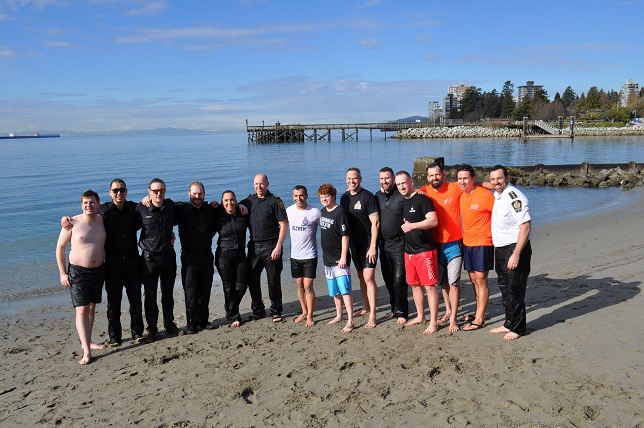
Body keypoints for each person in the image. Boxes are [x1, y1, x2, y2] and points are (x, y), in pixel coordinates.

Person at [62, 179, 145, 346]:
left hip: (132, 261)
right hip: (112, 264)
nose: (119, 193)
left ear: (126, 191)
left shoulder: (134, 209)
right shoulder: (103, 211)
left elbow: (152, 217)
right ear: (110, 193)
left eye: (122, 190)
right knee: (113, 302)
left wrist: (147, 199)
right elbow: (86, 213)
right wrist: (66, 219)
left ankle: (137, 333)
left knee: (135, 300)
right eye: (115, 190)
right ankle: (115, 337)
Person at [56, 190, 107, 365]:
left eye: (92, 202)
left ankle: (89, 341)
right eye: (85, 203)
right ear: (81, 205)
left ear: (98, 204)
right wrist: (63, 273)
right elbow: (60, 248)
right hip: (78, 272)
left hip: (98, 271)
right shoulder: (72, 223)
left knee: (92, 307)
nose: (88, 205)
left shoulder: (102, 220)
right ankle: (86, 351)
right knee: (81, 310)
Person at [418, 162, 464, 333]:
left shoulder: (454, 187)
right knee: (443, 282)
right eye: (431, 175)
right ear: (427, 177)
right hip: (436, 244)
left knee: (454, 282)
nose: (434, 178)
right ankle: (449, 310)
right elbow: (409, 195)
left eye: (437, 174)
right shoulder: (424, 191)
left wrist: (496, 185)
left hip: (454, 243)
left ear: (443, 175)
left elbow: (473, 185)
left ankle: (453, 320)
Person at [489, 165, 532, 340]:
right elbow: (488, 185)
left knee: (515, 289)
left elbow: (526, 226)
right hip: (500, 249)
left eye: (499, 178)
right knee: (505, 289)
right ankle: (509, 323)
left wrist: (516, 253)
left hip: (514, 248)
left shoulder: (515, 197)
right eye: (493, 179)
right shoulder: (498, 195)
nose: (496, 182)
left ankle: (518, 328)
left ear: (507, 177)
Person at [395, 171, 440, 335]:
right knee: (414, 285)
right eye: (398, 184)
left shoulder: (422, 199)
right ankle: (421, 316)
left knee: (430, 287)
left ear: (410, 181)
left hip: (425, 251)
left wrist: (413, 226)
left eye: (404, 183)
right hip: (409, 252)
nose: (401, 186)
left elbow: (433, 221)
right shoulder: (404, 202)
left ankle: (434, 322)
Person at [239, 174, 288, 322]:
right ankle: (258, 310)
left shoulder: (275, 201)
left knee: (273, 280)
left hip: (271, 246)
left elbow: (284, 224)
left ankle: (276, 311)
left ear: (267, 184)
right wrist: (239, 205)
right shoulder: (248, 201)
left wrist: (278, 247)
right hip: (254, 247)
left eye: (262, 184)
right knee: (252, 280)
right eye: (256, 184)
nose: (259, 187)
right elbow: (231, 205)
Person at [136, 178, 180, 342]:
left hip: (168, 256)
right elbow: (121, 219)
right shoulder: (141, 208)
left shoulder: (170, 206)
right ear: (149, 192)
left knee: (168, 294)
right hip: (149, 259)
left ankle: (169, 324)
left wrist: (213, 204)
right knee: (150, 295)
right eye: (155, 191)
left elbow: (191, 206)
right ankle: (151, 328)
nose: (158, 194)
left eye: (161, 190)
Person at [174, 181, 217, 335]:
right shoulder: (181, 209)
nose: (197, 196)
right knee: (191, 293)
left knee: (205, 290)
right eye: (194, 194)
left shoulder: (210, 209)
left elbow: (220, 221)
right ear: (189, 194)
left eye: (200, 194)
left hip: (206, 255)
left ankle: (203, 321)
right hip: (189, 257)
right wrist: (148, 199)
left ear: (204, 194)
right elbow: (162, 208)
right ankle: (191, 324)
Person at [340, 167, 380, 329]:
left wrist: (373, 247)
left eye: (354, 178)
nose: (352, 181)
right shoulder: (344, 198)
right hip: (354, 245)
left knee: (369, 277)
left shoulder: (368, 197)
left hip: (369, 243)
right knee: (361, 277)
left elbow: (375, 223)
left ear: (360, 179)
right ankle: (365, 306)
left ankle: (373, 316)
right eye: (349, 179)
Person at [457, 165, 495, 331]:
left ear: (473, 178)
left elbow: (500, 214)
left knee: (481, 280)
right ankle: (479, 311)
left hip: (483, 242)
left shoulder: (485, 195)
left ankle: (479, 319)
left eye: (466, 178)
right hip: (467, 243)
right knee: (473, 280)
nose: (462, 182)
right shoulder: (461, 194)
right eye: (460, 178)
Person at [318, 183, 354, 333]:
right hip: (327, 259)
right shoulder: (322, 212)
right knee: (334, 291)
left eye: (327, 196)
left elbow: (345, 236)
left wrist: (344, 257)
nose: (324, 199)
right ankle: (339, 315)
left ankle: (351, 320)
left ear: (333, 196)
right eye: (321, 196)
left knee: (345, 290)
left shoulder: (340, 212)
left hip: (340, 259)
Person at [375, 167, 408, 324]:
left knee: (399, 278)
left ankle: (402, 311)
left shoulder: (401, 194)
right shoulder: (377, 196)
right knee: (388, 279)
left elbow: (414, 196)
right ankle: (394, 307)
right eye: (381, 179)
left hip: (399, 242)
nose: (384, 181)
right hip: (383, 243)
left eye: (387, 178)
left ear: (393, 178)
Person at [286, 185, 321, 327]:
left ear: (306, 196)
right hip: (295, 255)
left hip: (310, 255)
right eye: (295, 196)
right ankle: (304, 311)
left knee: (308, 286)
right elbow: (280, 226)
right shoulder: (288, 211)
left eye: (301, 195)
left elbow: (327, 227)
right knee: (299, 284)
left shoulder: (314, 212)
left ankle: (310, 317)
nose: (298, 198)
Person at [214, 190, 249, 328]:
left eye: (232, 200)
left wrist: (241, 205)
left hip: (240, 255)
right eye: (226, 200)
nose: (229, 203)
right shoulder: (217, 215)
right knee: (228, 287)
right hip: (224, 255)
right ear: (222, 202)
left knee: (241, 286)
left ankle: (229, 306)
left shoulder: (243, 213)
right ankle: (235, 315)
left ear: (236, 200)